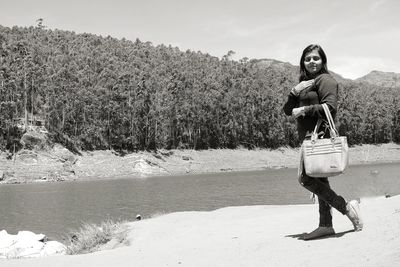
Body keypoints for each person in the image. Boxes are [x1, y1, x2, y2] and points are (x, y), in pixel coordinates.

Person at [283, 44, 363, 240]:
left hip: (320, 137)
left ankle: (345, 207)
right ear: (302, 61)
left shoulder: (325, 80)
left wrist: (304, 110)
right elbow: (287, 111)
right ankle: (325, 225)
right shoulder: (305, 83)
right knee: (319, 180)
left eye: (316, 58)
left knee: (306, 179)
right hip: (308, 139)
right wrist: (294, 92)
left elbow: (330, 107)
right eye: (308, 58)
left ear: (323, 61)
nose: (312, 61)